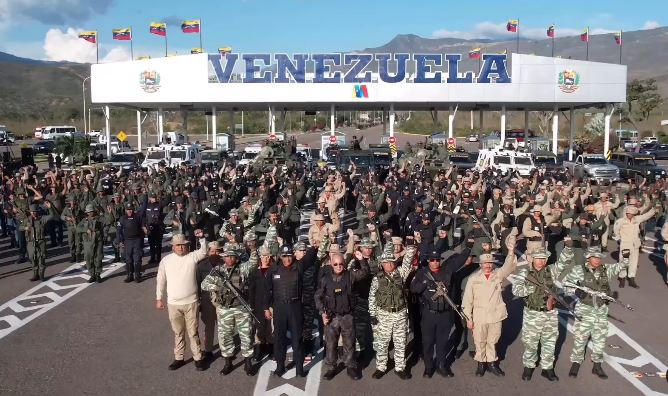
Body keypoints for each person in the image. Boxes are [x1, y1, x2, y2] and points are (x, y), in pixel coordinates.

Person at [556, 247, 630, 379]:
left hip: (601, 310)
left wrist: (625, 257)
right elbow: (566, 286)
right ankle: (576, 363)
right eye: (594, 257)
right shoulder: (579, 270)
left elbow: (620, 266)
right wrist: (576, 292)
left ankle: (597, 365)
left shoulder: (605, 269)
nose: (597, 260)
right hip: (585, 309)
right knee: (580, 338)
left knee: (600, 339)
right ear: (588, 257)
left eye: (599, 258)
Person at [462, 230, 518, 377]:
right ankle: (481, 364)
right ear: (480, 265)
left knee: (493, 340)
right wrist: (468, 318)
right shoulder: (473, 279)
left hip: (495, 314)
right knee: (480, 341)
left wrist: (511, 252)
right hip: (479, 315)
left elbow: (509, 267)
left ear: (493, 264)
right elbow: (467, 300)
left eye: (490, 263)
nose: (487, 265)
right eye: (485, 263)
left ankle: (492, 363)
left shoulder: (497, 275)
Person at [410, 246, 471, 378]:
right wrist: (426, 283)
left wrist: (469, 247)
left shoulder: (447, 270)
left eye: (437, 259)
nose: (435, 262)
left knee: (442, 342)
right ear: (428, 261)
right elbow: (413, 288)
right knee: (428, 342)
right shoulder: (422, 273)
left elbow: (460, 260)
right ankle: (428, 367)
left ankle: (442, 366)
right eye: (432, 260)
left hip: (445, 314)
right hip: (429, 314)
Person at [155, 230, 207, 371]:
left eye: (183, 245)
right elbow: (160, 280)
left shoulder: (192, 257)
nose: (180, 247)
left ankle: (198, 357)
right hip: (173, 303)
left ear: (187, 246)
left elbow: (203, 252)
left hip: (191, 302)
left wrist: (202, 238)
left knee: (193, 331)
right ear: (173, 246)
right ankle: (179, 357)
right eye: (177, 245)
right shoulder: (166, 261)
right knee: (178, 332)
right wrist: (159, 298)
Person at [201, 245, 256, 376]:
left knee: (246, 335)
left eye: (232, 257)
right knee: (225, 337)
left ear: (236, 258)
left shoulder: (242, 268)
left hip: (241, 308)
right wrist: (219, 286)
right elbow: (204, 284)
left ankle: (248, 363)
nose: (230, 259)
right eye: (227, 256)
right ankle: (228, 363)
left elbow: (253, 263)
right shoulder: (218, 270)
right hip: (224, 309)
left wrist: (253, 249)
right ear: (224, 258)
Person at [315, 251, 370, 381]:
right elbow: (318, 297)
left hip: (347, 316)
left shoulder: (350, 275)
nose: (338, 266)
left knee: (349, 343)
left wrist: (361, 260)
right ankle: (331, 367)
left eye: (341, 264)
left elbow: (365, 272)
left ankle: (351, 366)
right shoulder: (325, 280)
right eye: (335, 264)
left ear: (344, 264)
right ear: (331, 265)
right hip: (331, 317)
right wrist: (322, 313)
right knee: (330, 344)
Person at [368, 239, 417, 380]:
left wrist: (411, 247)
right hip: (384, 314)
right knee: (382, 343)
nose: (388, 265)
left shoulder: (400, 273)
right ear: (382, 264)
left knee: (400, 342)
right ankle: (381, 367)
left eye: (391, 262)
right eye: (385, 263)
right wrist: (372, 314)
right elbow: (372, 297)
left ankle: (400, 367)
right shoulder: (377, 279)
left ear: (394, 262)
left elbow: (407, 261)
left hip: (400, 313)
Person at [511, 248, 560, 381]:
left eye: (544, 259)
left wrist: (567, 247)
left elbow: (563, 266)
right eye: (538, 258)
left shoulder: (552, 271)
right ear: (533, 259)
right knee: (530, 343)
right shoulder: (525, 272)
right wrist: (530, 288)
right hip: (532, 313)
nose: (541, 261)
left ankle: (547, 368)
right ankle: (528, 367)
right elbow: (516, 290)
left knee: (550, 342)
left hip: (550, 314)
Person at [263, 245, 310, 378]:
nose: (287, 259)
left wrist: (316, 247)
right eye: (284, 256)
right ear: (280, 256)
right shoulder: (274, 269)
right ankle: (280, 367)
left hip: (295, 306)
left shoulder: (299, 267)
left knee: (297, 339)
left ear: (293, 256)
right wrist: (266, 307)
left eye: (289, 256)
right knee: (279, 339)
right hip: (279, 307)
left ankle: (300, 369)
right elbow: (267, 289)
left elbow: (310, 257)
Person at [613, 205, 655, 288]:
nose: (629, 214)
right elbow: (616, 230)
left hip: (635, 245)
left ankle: (631, 279)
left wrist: (653, 209)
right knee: (623, 262)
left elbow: (646, 216)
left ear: (633, 214)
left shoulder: (637, 219)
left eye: (631, 213)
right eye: (628, 213)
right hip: (625, 245)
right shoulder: (621, 221)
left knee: (634, 263)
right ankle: (622, 279)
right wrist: (621, 239)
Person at [195, 240, 223, 362]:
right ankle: (208, 350)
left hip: (222, 299)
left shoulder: (224, 262)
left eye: (217, 250)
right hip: (207, 300)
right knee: (209, 326)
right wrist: (199, 301)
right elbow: (197, 284)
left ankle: (224, 349)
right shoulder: (201, 265)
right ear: (208, 252)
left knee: (223, 325)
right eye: (212, 251)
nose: (215, 253)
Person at [22, 202, 58, 282]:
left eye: (35, 211)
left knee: (41, 257)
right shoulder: (27, 219)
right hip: (31, 242)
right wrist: (25, 228)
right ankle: (35, 274)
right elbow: (20, 227)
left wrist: (50, 208)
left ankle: (41, 274)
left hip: (40, 241)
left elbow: (51, 216)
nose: (33, 213)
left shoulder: (42, 218)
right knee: (32, 258)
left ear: (37, 211)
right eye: (32, 212)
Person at [116, 203, 144, 283]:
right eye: (128, 210)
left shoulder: (138, 217)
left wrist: (144, 231)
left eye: (131, 209)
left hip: (137, 240)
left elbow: (143, 226)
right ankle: (129, 275)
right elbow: (119, 230)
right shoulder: (122, 218)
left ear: (133, 209)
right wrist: (119, 240)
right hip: (127, 241)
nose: (129, 211)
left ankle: (137, 275)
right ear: (125, 210)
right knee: (128, 258)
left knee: (137, 257)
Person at [77, 204, 105, 283]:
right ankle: (92, 274)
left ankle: (98, 274)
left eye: (91, 211)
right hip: (88, 242)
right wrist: (86, 229)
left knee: (98, 258)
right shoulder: (84, 220)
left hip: (98, 240)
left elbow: (107, 221)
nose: (90, 213)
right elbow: (78, 228)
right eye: (88, 212)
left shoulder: (99, 219)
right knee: (89, 259)